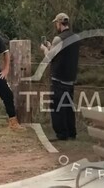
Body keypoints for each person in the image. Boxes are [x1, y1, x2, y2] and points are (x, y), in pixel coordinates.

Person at [40, 12, 80, 141]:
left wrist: (44, 49)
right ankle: (71, 132)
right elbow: (63, 53)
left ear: (59, 23)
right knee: (68, 106)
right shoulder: (75, 37)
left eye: (56, 23)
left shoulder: (59, 38)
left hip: (59, 78)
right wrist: (51, 47)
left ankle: (61, 134)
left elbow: (50, 57)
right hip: (70, 78)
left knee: (57, 107)